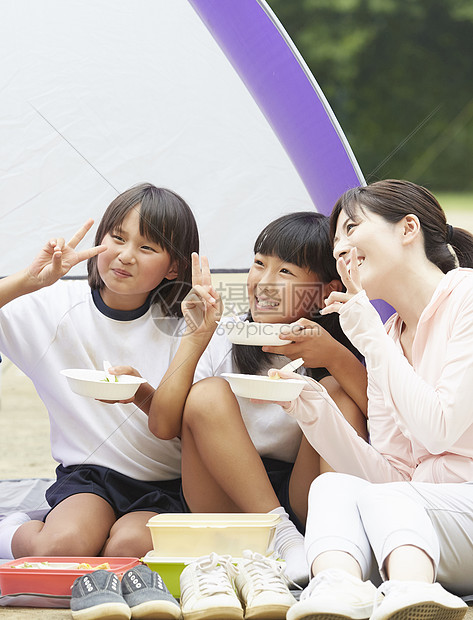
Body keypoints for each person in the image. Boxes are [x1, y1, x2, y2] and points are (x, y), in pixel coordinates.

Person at [281, 180, 473, 620]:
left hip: (458, 513)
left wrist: (367, 333)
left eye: (352, 229)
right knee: (331, 485)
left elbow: (439, 427)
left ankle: (412, 593)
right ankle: (336, 591)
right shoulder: (386, 338)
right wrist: (312, 409)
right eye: (336, 242)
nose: (341, 249)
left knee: (394, 499)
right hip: (422, 523)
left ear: (408, 229)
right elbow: (391, 473)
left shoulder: (466, 297)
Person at [148, 211, 368, 585]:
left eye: (285, 273)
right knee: (207, 395)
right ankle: (283, 538)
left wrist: (333, 355)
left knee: (336, 393)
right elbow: (163, 425)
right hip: (224, 495)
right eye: (258, 264)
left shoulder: (348, 341)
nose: (263, 283)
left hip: (306, 499)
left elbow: (386, 421)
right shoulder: (226, 332)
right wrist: (196, 337)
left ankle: (334, 539)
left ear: (326, 291)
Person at [0, 183, 201, 560]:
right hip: (88, 478)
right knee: (63, 547)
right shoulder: (54, 307)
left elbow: (183, 426)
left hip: (167, 484)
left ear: (174, 265)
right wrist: (28, 281)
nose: (125, 256)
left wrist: (142, 392)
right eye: (117, 237)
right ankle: (13, 530)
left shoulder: (190, 326)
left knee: (126, 550)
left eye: (147, 247)